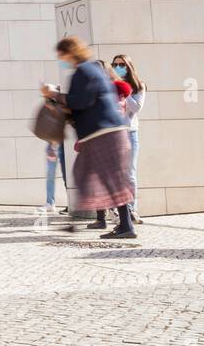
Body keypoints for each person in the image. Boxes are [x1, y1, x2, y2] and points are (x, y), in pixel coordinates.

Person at [41, 36, 135, 239]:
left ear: (70, 52)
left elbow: (80, 101)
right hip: (101, 133)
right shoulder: (89, 70)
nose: (60, 58)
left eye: (61, 55)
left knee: (99, 177)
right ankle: (122, 224)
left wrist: (55, 94)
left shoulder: (84, 70)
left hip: (103, 134)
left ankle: (124, 225)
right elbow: (79, 104)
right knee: (94, 177)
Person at [111, 53, 145, 223]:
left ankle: (132, 209)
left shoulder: (139, 86)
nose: (118, 67)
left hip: (130, 133)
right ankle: (118, 211)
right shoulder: (110, 85)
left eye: (122, 64)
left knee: (129, 173)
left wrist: (125, 89)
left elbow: (136, 107)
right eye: (115, 64)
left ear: (128, 66)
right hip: (113, 134)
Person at [43, 141, 60, 213]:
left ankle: (50, 203)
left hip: (57, 147)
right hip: (53, 148)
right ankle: (50, 202)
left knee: (51, 178)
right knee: (50, 178)